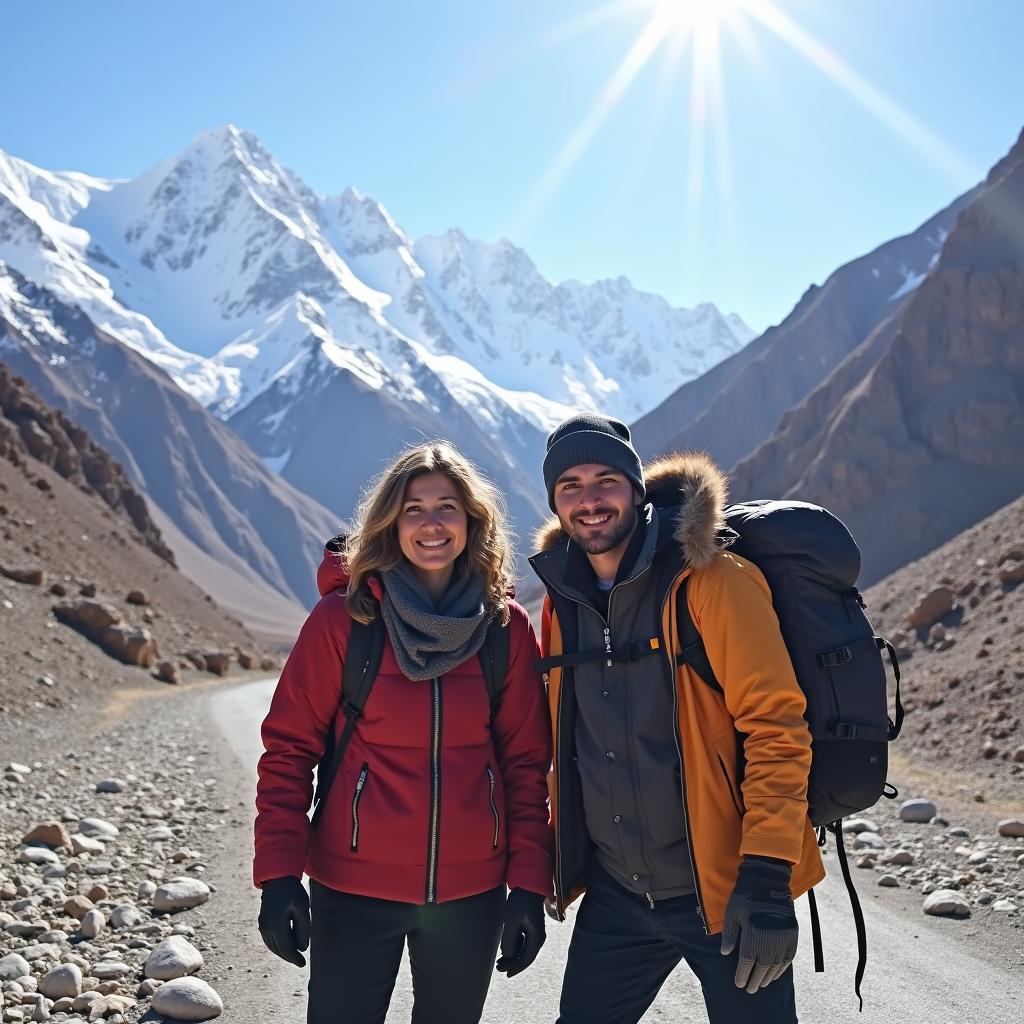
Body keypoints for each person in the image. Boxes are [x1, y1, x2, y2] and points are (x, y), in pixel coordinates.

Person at [528, 414, 825, 1024]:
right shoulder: (562, 603)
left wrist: (767, 879)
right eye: (570, 486)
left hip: (726, 892)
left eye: (605, 480)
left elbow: (777, 728)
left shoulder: (714, 583)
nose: (589, 501)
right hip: (617, 895)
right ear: (555, 502)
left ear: (637, 490)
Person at [253, 441, 553, 1024]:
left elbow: (525, 764)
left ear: (473, 519)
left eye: (447, 506)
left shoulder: (503, 628)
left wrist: (528, 887)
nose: (431, 523)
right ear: (390, 521)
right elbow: (288, 753)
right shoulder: (344, 620)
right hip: (353, 887)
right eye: (413, 508)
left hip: (472, 895)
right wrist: (279, 876)